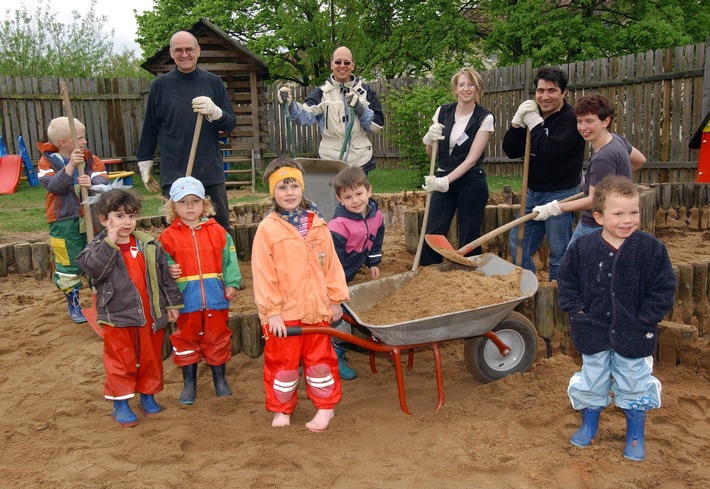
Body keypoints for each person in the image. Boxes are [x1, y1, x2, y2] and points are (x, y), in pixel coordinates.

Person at [557, 175, 676, 462]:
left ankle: (635, 433)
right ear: (598, 217)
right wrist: (578, 312)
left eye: (633, 212)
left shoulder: (650, 249)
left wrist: (646, 318)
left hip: (635, 332)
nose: (628, 220)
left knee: (634, 380)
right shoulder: (583, 249)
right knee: (593, 378)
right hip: (593, 330)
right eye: (619, 213)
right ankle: (589, 424)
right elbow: (567, 281)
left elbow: (664, 288)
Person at [251, 156, 349, 432]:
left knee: (321, 363)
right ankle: (281, 409)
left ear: (303, 189)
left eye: (294, 186)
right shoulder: (267, 229)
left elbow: (331, 265)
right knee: (283, 365)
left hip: (316, 309)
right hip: (285, 314)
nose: (289, 193)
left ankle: (325, 407)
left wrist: (335, 300)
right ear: (273, 191)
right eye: (282, 187)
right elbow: (263, 275)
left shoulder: (317, 224)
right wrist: (273, 313)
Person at [77, 189, 183, 427]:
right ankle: (121, 404)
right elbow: (95, 271)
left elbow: (164, 276)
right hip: (117, 317)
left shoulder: (148, 245)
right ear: (104, 220)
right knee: (121, 360)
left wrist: (172, 303)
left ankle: (147, 396)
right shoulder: (97, 248)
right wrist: (110, 243)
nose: (127, 222)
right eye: (120, 216)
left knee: (150, 358)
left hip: (149, 315)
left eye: (131, 216)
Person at [136, 30, 236, 231]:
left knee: (219, 226)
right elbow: (150, 128)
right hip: (174, 172)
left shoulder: (213, 82)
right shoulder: (160, 86)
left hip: (209, 171)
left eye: (189, 49)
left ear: (198, 51)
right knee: (178, 228)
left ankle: (223, 263)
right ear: (171, 53)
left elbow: (229, 124)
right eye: (178, 50)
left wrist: (215, 112)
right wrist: (144, 163)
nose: (184, 54)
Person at [158, 176, 242, 405]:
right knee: (186, 339)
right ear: (173, 206)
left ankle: (220, 380)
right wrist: (170, 270)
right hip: (187, 299)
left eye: (195, 201)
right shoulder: (168, 237)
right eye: (183, 202)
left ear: (204, 204)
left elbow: (230, 260)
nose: (190, 206)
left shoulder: (218, 232)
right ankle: (189, 383)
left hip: (215, 297)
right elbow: (160, 265)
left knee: (217, 337)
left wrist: (232, 283)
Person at [503, 66, 586, 280]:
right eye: (540, 90)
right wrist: (517, 122)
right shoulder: (533, 114)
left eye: (551, 90)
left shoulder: (571, 120)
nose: (545, 96)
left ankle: (558, 295)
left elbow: (549, 152)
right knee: (518, 243)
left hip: (561, 194)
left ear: (563, 93)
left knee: (559, 252)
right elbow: (511, 151)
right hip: (533, 193)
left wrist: (535, 124)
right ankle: (530, 286)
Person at [531, 93, 646, 247]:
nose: (583, 128)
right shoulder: (616, 139)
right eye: (579, 121)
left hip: (594, 226)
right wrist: (616, 185)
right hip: (607, 222)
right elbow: (639, 161)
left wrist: (555, 208)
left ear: (606, 121)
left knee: (573, 266)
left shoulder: (603, 158)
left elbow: (593, 201)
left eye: (589, 121)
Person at [37, 116, 109, 323]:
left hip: (92, 218)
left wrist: (92, 182)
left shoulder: (91, 159)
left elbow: (104, 179)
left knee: (98, 255)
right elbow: (54, 187)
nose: (85, 141)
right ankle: (73, 302)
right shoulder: (46, 161)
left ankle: (101, 299)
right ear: (64, 143)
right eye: (80, 138)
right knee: (67, 262)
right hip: (63, 221)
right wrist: (70, 168)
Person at [419, 67, 493, 266]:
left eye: (471, 84)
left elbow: (471, 159)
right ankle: (428, 275)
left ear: (478, 89)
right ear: (455, 89)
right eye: (462, 85)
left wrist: (444, 181)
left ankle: (467, 279)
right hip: (443, 176)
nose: (466, 89)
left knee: (469, 234)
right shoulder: (443, 112)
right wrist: (428, 139)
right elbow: (431, 153)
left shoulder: (484, 117)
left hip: (471, 181)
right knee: (432, 232)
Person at [278, 46, 385, 174]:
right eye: (338, 62)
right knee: (332, 195)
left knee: (357, 194)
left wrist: (359, 107)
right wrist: (289, 104)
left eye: (347, 62)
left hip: (360, 161)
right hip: (331, 161)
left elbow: (377, 125)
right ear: (332, 64)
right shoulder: (321, 93)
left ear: (353, 65)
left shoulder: (366, 92)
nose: (342, 66)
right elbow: (303, 116)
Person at [327, 166, 385, 379]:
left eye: (359, 194)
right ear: (339, 199)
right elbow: (332, 264)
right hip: (330, 275)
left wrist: (373, 263)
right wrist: (336, 291)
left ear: (369, 191)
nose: (355, 200)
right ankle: (334, 353)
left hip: (348, 272)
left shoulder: (375, 216)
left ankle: (340, 345)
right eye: (347, 196)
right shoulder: (337, 227)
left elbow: (376, 238)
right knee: (336, 315)